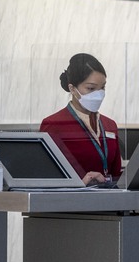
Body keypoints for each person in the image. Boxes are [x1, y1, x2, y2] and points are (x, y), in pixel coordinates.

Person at [41, 53, 121, 185]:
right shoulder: (54, 124)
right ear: (72, 89)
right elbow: (46, 176)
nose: (99, 94)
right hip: (71, 200)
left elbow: (117, 174)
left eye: (102, 88)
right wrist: (78, 184)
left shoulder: (109, 125)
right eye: (91, 88)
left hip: (108, 200)